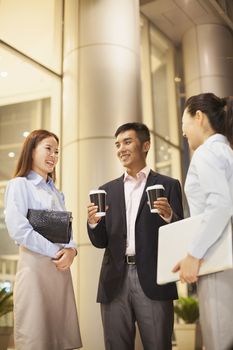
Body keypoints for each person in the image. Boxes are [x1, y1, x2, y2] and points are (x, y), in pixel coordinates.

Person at [87, 122, 183, 350]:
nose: (121, 148)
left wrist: (169, 216)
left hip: (154, 279)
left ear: (146, 145)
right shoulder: (106, 190)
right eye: (117, 144)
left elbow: (181, 234)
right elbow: (100, 242)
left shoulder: (168, 185)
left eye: (127, 142)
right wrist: (92, 223)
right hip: (114, 281)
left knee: (158, 345)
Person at [4, 130, 82, 350]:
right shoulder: (20, 185)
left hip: (59, 272)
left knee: (59, 339)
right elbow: (19, 230)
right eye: (48, 148)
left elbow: (67, 230)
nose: (54, 155)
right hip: (35, 271)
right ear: (31, 151)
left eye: (57, 151)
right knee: (35, 337)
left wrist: (72, 251)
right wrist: (56, 252)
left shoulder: (57, 193)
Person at [172, 93, 233, 350]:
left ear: (199, 117)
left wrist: (193, 255)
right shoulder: (226, 151)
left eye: (184, 124)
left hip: (218, 260)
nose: (183, 132)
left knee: (220, 339)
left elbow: (219, 206)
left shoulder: (207, 152)